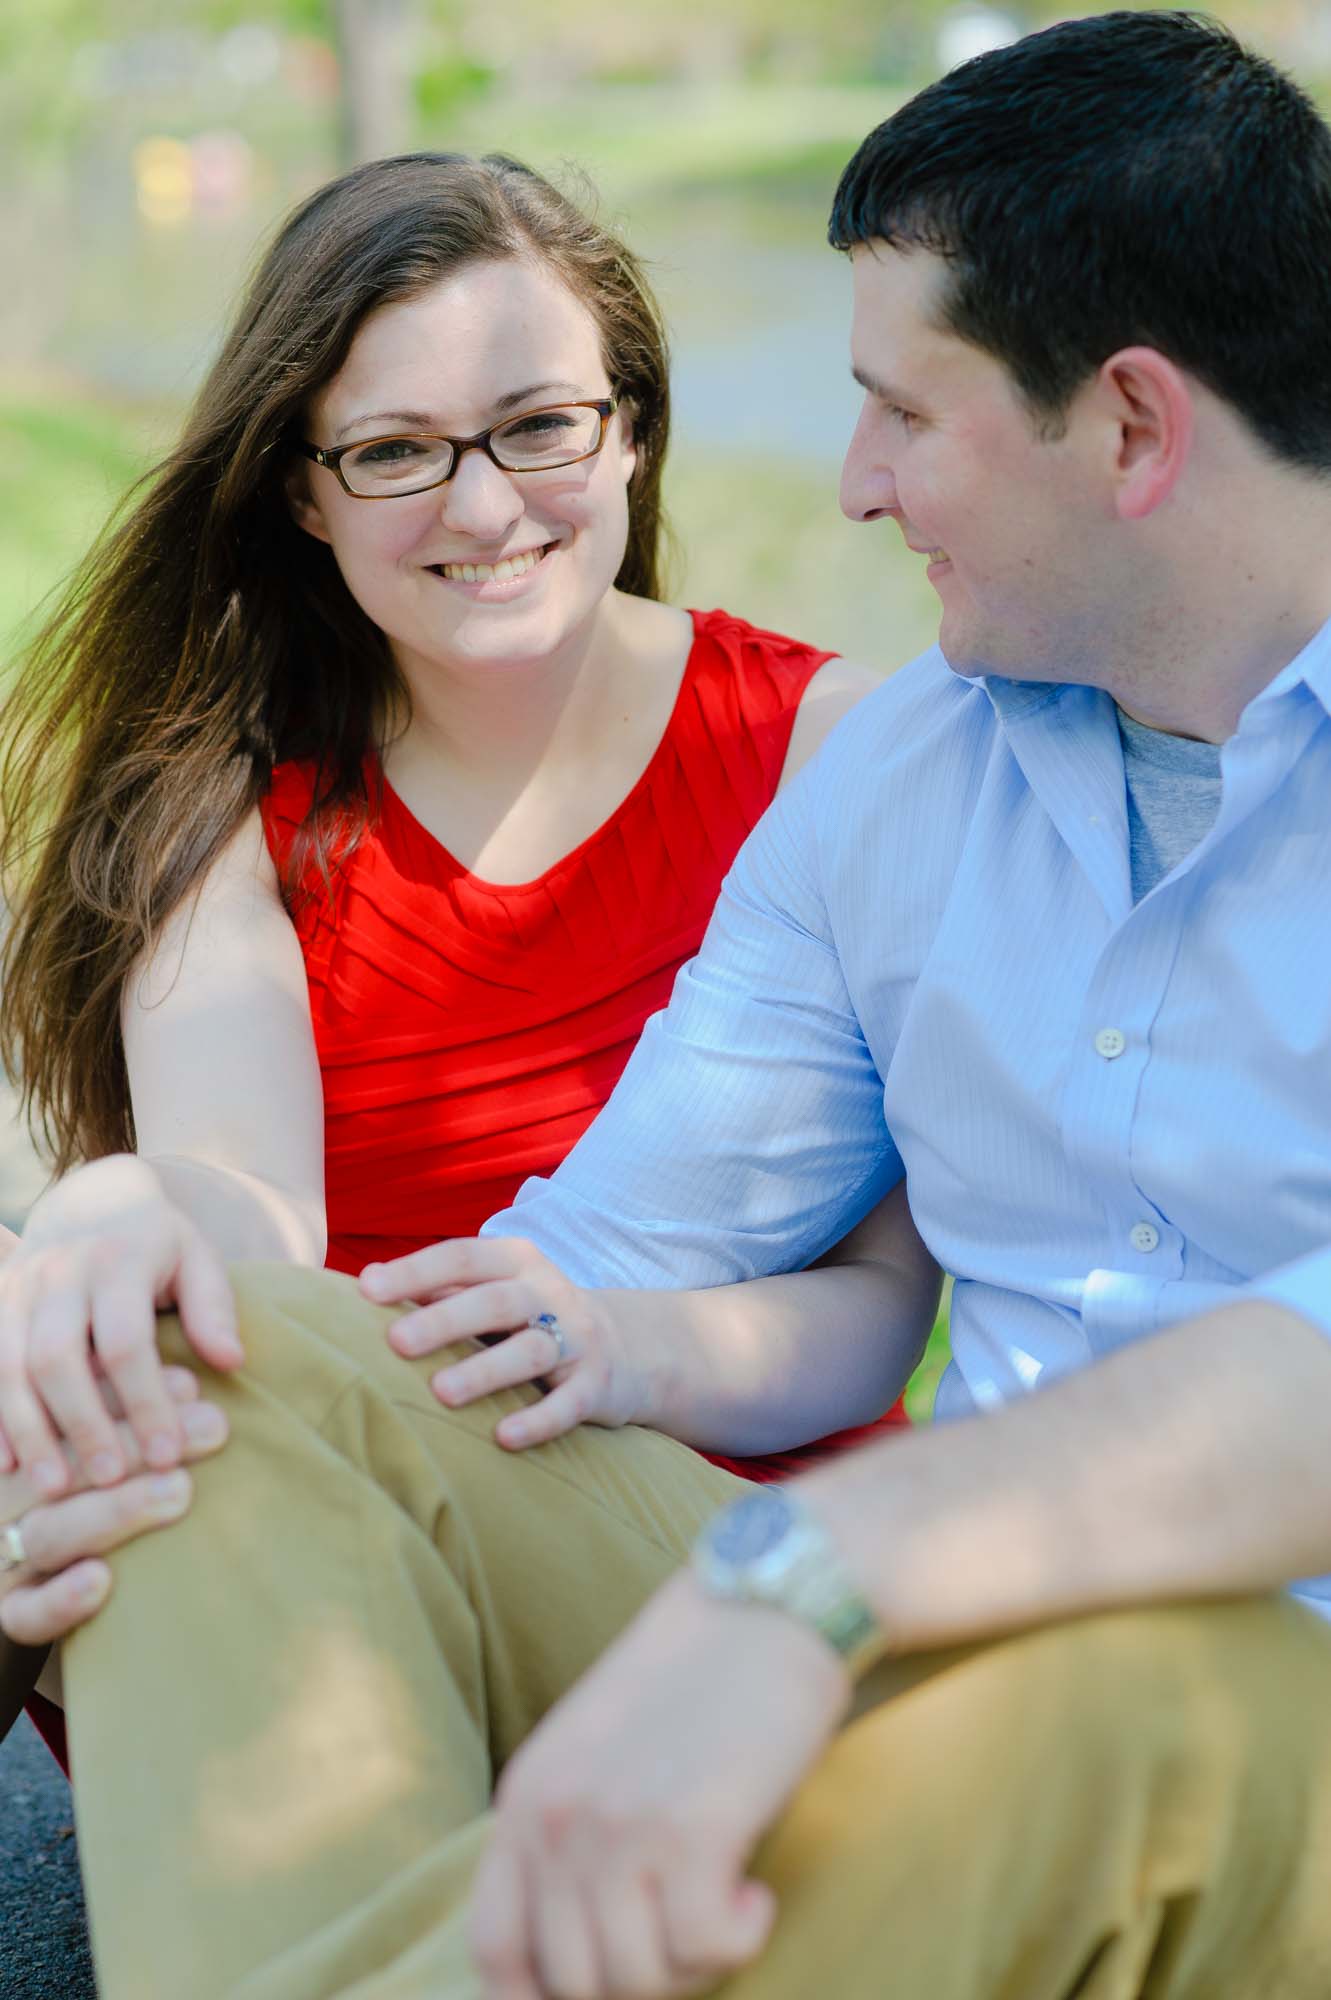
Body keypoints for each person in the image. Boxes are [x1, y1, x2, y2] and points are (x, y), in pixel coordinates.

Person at [11, 8, 1331, 1995]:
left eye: (905, 409)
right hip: (865, 1614)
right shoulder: (911, 788)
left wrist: (810, 1575)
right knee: (268, 1368)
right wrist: (170, 1295)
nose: (857, 482)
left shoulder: (806, 731)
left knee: (1128, 1685)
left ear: (1133, 426)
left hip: (1240, 1687)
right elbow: (608, 1250)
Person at [0, 156, 937, 1757]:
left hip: (716, 1520)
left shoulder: (834, 748)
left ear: (631, 427)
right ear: (302, 491)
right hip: (356, 1518)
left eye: (540, 423)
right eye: (394, 453)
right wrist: (108, 1204)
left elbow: (884, 1310)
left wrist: (624, 1352)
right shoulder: (222, 807)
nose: (488, 504)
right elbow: (256, 1239)